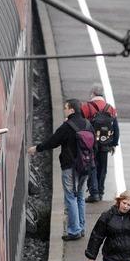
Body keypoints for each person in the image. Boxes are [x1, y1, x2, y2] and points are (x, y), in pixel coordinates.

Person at [28, 98, 91, 241]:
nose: (64, 110)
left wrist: (37, 148)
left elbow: (53, 141)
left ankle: (74, 231)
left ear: (72, 110)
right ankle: (81, 227)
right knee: (80, 196)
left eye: (66, 108)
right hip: (85, 168)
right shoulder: (87, 124)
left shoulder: (67, 126)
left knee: (71, 197)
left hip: (70, 167)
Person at [81, 83, 119, 203]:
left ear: (92, 93)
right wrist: (113, 144)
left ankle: (94, 193)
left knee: (92, 167)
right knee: (102, 168)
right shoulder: (110, 108)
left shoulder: (86, 107)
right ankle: (101, 191)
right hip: (105, 143)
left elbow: (81, 125)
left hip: (90, 144)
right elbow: (116, 127)